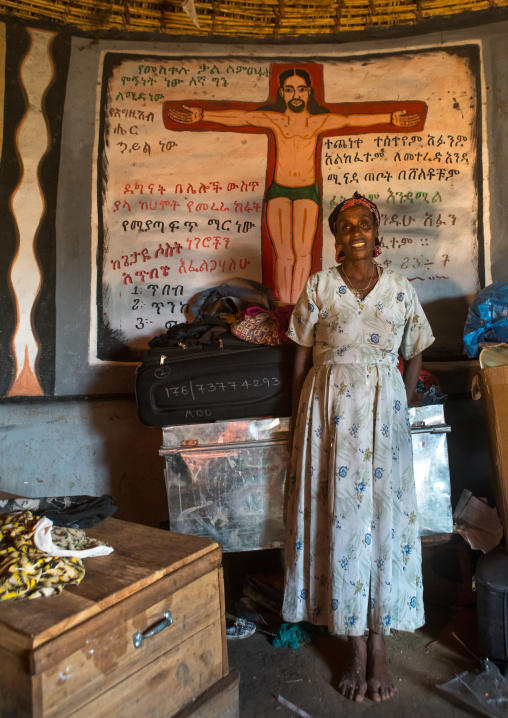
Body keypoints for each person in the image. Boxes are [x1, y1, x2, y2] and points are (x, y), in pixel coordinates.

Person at [283, 191, 434, 702]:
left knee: (384, 523)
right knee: (342, 524)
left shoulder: (399, 291)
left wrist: (401, 403)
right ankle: (353, 647)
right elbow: (301, 356)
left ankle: (381, 645)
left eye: (363, 224)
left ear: (377, 234)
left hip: (383, 416)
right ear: (336, 239)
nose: (355, 232)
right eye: (345, 226)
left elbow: (414, 351)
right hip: (329, 415)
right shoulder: (320, 286)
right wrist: (299, 415)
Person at [167, 68, 420, 304]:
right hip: (279, 189)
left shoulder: (318, 122)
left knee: (302, 255)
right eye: (290, 89)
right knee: (283, 255)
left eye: (301, 89)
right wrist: (201, 114)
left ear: (309, 93)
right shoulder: (275, 120)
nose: (296, 95)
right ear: (282, 93)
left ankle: (298, 305)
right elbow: (242, 117)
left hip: (306, 191)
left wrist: (390, 117)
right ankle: (282, 304)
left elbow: (350, 120)